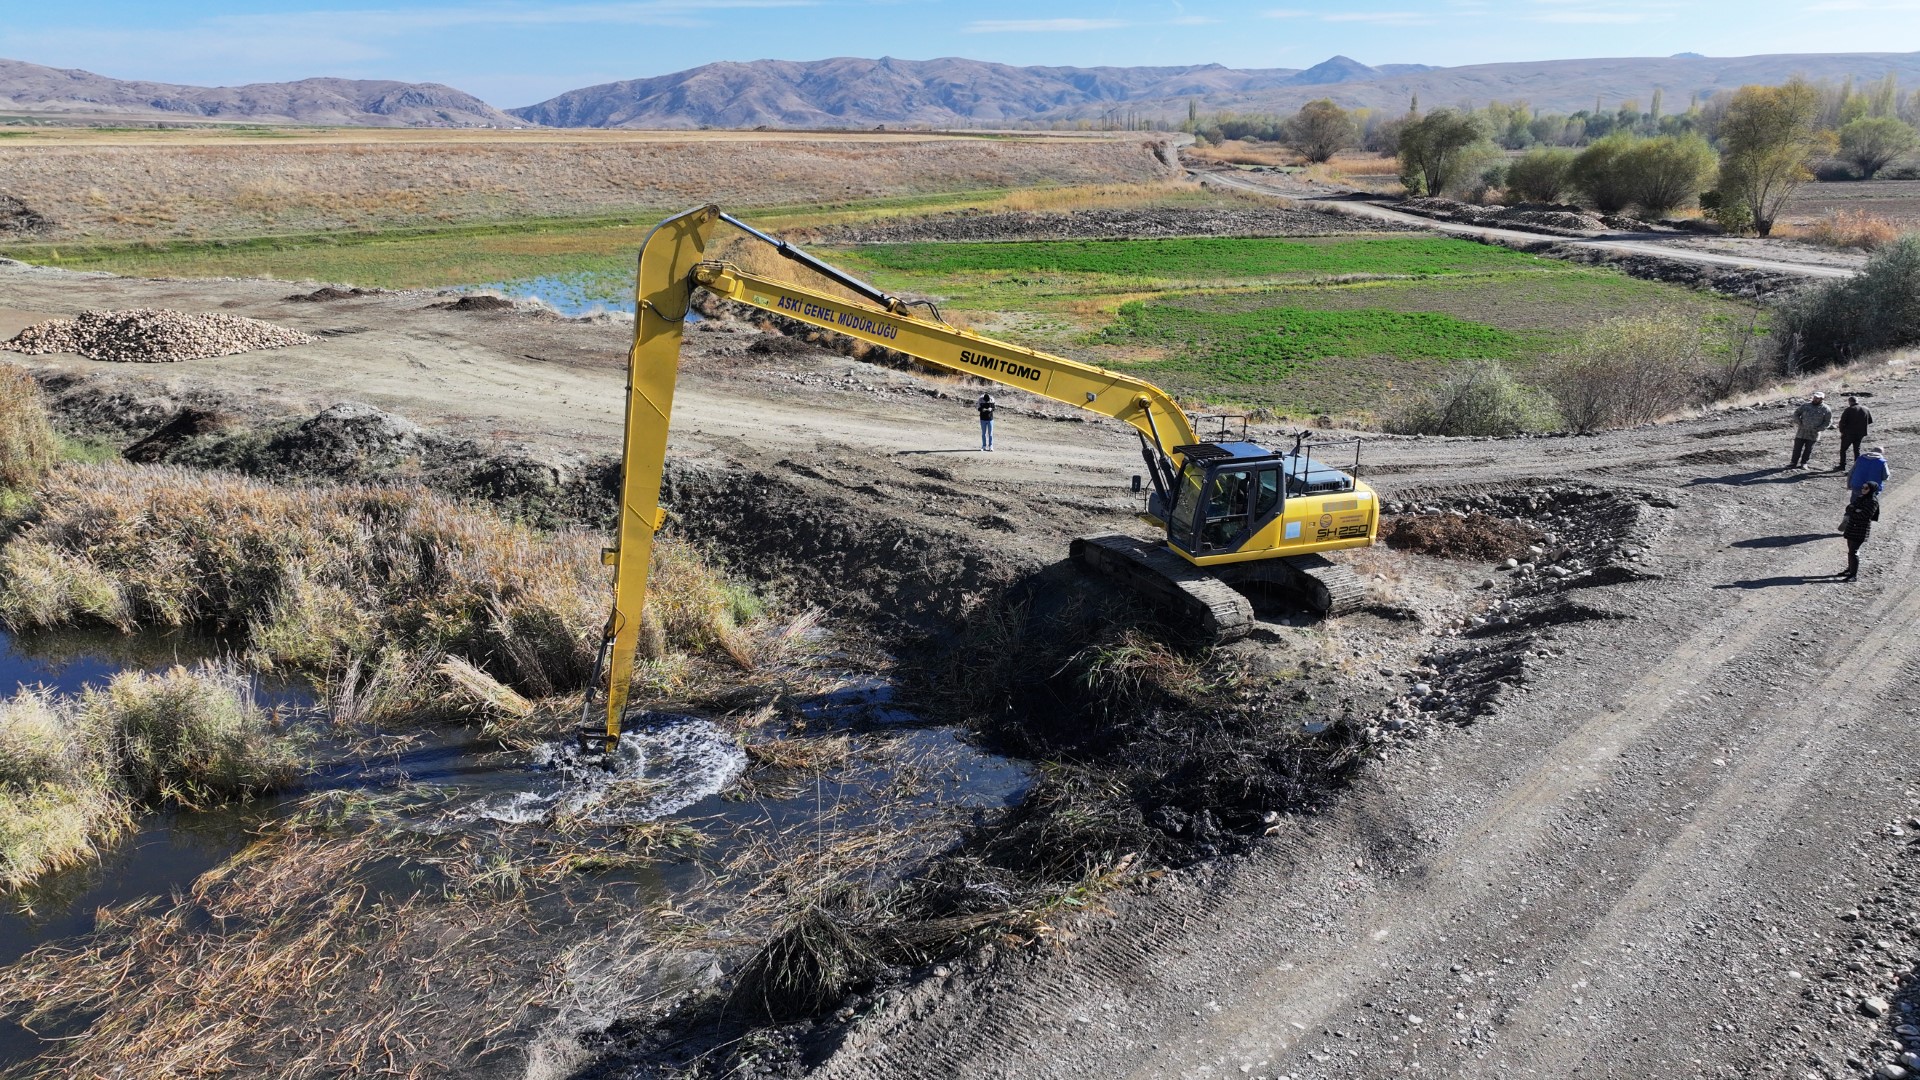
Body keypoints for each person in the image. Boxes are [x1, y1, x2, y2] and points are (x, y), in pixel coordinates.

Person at [1839, 480, 1881, 580]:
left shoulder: (1873, 502)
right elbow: (1848, 508)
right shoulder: (1861, 498)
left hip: (1860, 530)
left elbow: (1864, 515)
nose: (1863, 489)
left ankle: (1853, 575)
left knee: (1854, 551)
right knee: (1850, 551)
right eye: (1863, 487)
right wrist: (1855, 510)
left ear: (1871, 490)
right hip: (1852, 528)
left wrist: (1855, 510)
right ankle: (1850, 570)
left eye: (1866, 488)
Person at [1788, 392, 1832, 469]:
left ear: (1821, 399)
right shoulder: (1805, 406)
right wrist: (1799, 422)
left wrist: (1819, 429)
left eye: (1817, 398)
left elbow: (1828, 421)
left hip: (1813, 433)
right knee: (1797, 448)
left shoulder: (1826, 409)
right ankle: (1793, 463)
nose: (1815, 399)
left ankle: (1804, 463)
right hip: (1802, 431)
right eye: (1814, 397)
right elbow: (1796, 414)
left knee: (1808, 449)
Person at [1837, 395, 1874, 470]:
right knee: (1857, 450)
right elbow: (1870, 421)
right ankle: (1857, 466)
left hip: (1848, 433)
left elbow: (1842, 422)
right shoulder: (1866, 409)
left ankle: (1842, 465)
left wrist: (1842, 431)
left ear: (1850, 402)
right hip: (1860, 433)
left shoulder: (1848, 410)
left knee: (1843, 449)